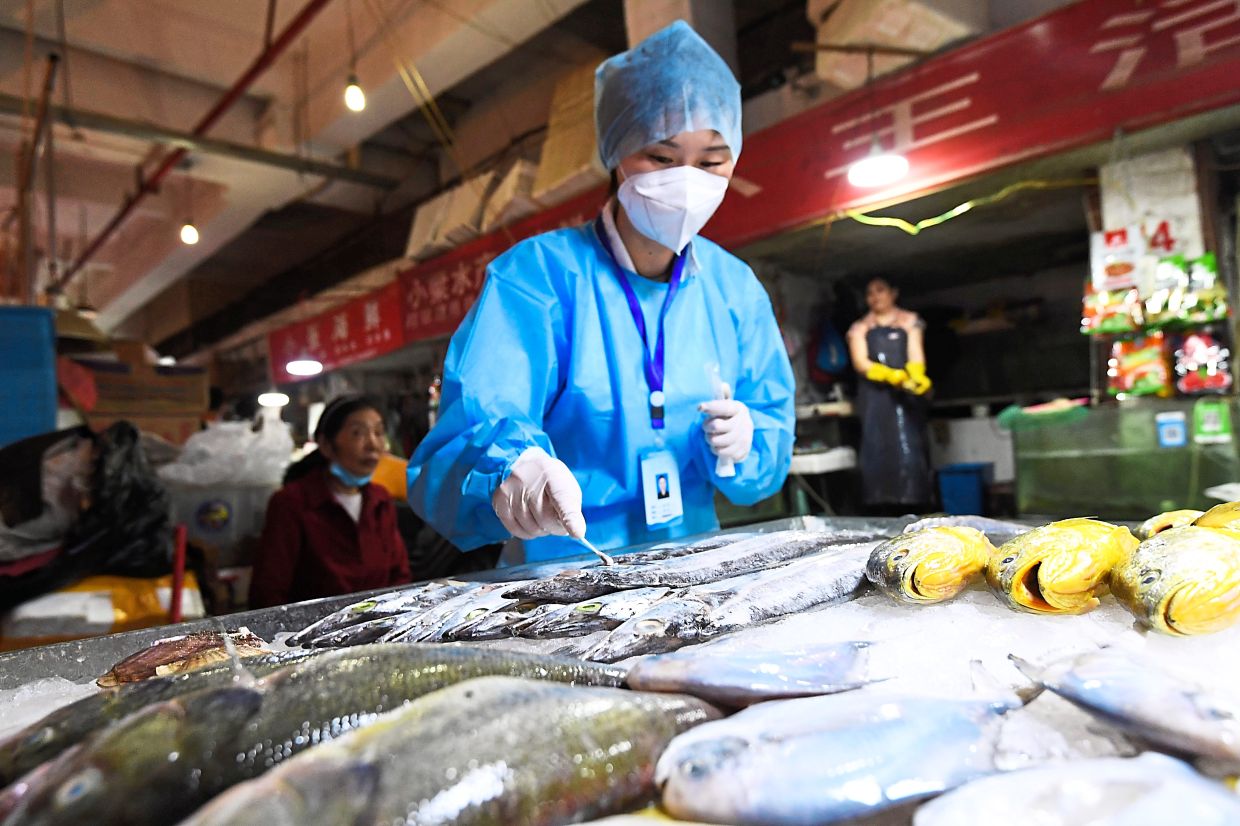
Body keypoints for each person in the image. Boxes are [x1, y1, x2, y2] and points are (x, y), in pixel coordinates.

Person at [408, 21, 795, 564]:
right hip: (562, 577)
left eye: (711, 161)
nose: (687, 181)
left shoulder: (735, 290)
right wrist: (510, 465)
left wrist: (750, 442)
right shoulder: (538, 278)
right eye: (660, 158)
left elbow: (766, 451)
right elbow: (472, 426)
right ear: (616, 151)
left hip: (694, 566)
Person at [250, 395, 410, 608]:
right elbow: (268, 592)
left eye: (379, 432)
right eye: (358, 433)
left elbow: (399, 576)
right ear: (326, 445)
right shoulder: (291, 503)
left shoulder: (380, 500)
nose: (373, 444)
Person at [847, 277, 933, 512]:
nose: (875, 297)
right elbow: (860, 362)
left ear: (893, 293)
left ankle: (917, 503)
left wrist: (915, 375)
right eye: (870, 293)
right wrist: (888, 375)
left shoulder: (910, 321)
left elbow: (915, 354)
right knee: (877, 446)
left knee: (911, 446)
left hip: (906, 397)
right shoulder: (860, 328)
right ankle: (881, 505)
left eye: (880, 290)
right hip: (875, 397)